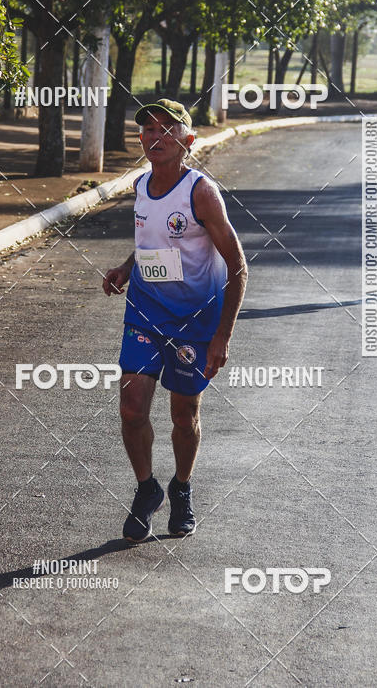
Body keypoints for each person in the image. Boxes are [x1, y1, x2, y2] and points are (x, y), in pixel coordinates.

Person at [103, 98, 248, 542]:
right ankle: (146, 489)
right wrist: (128, 268)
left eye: (167, 129)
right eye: (147, 128)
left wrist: (223, 336)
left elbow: (238, 266)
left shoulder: (200, 192)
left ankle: (181, 488)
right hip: (145, 312)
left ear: (187, 140)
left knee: (184, 416)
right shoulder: (142, 186)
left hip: (194, 321)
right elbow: (153, 239)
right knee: (131, 409)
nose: (155, 136)